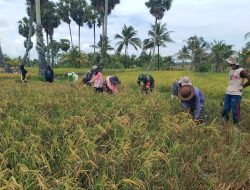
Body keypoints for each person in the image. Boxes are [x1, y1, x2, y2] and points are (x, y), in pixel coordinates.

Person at [221, 56, 250, 127]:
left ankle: (236, 125)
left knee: (235, 111)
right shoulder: (231, 70)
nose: (228, 63)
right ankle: (224, 124)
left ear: (233, 63)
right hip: (228, 93)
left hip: (236, 94)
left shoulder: (241, 71)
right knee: (225, 109)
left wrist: (242, 86)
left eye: (229, 62)